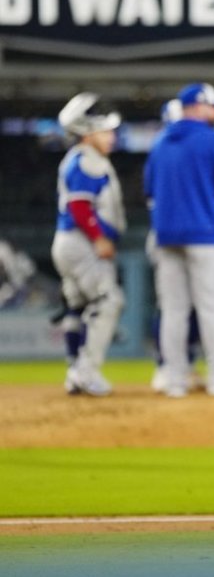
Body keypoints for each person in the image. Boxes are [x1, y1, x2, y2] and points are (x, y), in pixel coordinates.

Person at [144, 82, 214, 398]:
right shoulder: (211, 140)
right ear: (199, 107)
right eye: (213, 106)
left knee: (173, 310)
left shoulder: (160, 143)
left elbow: (148, 190)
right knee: (212, 308)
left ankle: (174, 380)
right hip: (204, 233)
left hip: (166, 235)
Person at [51, 92, 126, 396]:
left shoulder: (77, 159)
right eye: (105, 131)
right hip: (82, 243)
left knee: (78, 307)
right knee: (108, 301)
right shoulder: (87, 160)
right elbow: (80, 206)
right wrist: (99, 238)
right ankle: (86, 371)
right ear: (87, 132)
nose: (111, 137)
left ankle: (74, 371)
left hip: (68, 242)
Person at [149, 98, 203, 393]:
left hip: (171, 234)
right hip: (167, 234)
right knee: (171, 306)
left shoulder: (164, 148)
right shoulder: (166, 148)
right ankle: (165, 366)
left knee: (185, 307)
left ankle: (182, 366)